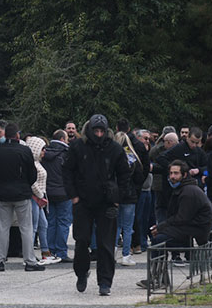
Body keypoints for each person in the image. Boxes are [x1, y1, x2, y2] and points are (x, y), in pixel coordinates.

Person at [63, 114, 130, 296]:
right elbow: (67, 171)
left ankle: (105, 282)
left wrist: (118, 198)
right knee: (81, 240)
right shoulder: (77, 146)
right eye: (96, 131)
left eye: (102, 131)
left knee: (106, 244)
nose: (99, 134)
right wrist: (73, 196)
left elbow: (124, 174)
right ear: (90, 130)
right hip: (83, 201)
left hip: (107, 201)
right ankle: (81, 272)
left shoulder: (115, 149)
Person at [137, 160, 212, 289]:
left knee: (158, 241)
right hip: (190, 227)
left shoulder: (188, 191)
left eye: (176, 173)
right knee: (158, 239)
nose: (172, 176)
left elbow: (182, 218)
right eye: (171, 173)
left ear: (184, 175)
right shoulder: (183, 188)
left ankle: (158, 279)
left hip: (195, 230)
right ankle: (159, 278)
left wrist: (161, 227)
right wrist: (162, 227)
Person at [0, 122, 45, 272]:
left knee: (3, 228)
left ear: (5, 134)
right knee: (26, 228)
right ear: (17, 135)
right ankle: (30, 261)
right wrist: (25, 185)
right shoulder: (24, 150)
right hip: (21, 193)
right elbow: (32, 174)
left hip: (2, 194)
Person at [113, 132, 144, 266]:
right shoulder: (132, 157)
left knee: (116, 226)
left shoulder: (113, 156)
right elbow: (139, 177)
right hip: (130, 195)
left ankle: (113, 252)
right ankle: (126, 255)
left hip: (116, 195)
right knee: (128, 227)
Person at [41, 129, 71, 263]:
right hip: (63, 192)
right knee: (63, 222)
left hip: (48, 193)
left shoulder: (45, 154)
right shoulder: (66, 154)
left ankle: (50, 250)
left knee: (50, 222)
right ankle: (61, 252)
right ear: (62, 139)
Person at [25, 136, 50, 264]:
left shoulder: (36, 162)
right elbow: (32, 182)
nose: (44, 151)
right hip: (34, 198)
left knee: (43, 225)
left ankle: (45, 252)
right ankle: (29, 255)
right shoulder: (32, 164)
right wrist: (40, 195)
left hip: (38, 198)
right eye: (42, 148)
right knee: (33, 227)